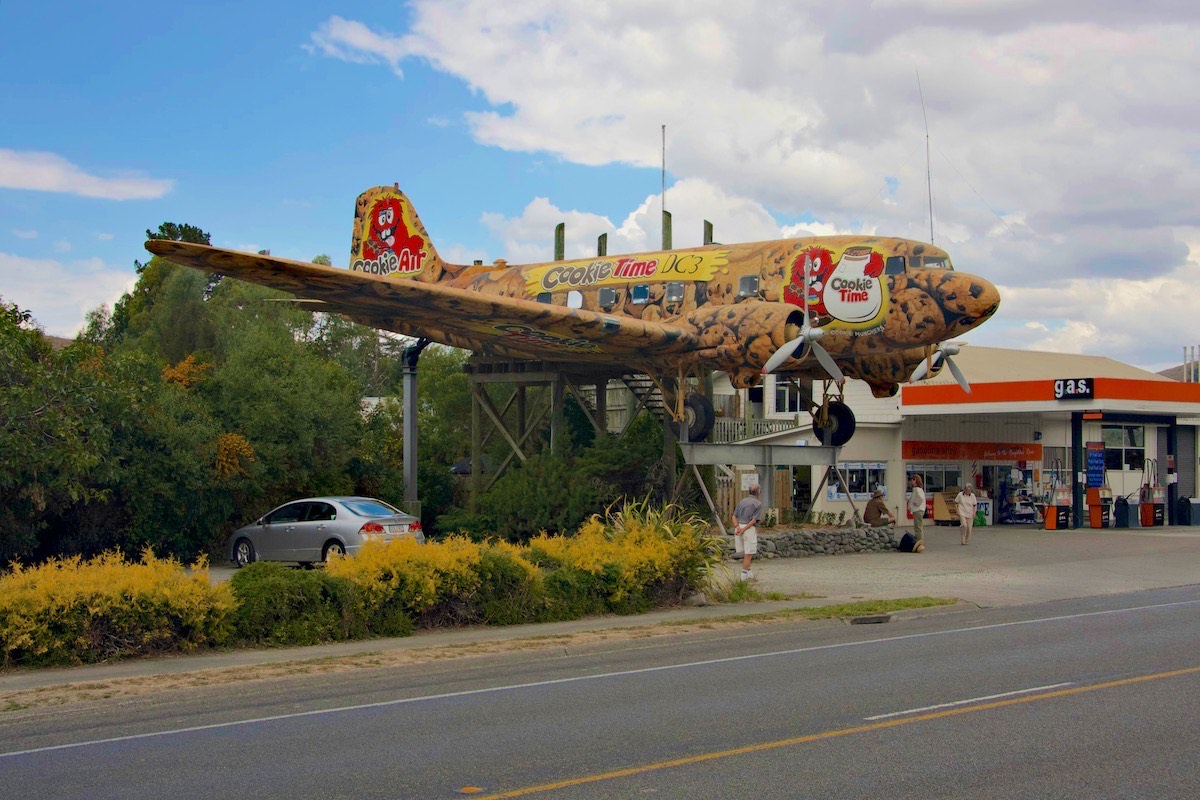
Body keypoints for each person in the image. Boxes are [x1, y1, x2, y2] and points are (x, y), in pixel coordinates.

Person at [732, 484, 762, 580]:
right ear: (758, 492)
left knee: (744, 551)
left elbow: (734, 516)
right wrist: (744, 529)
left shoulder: (742, 501)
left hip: (739, 526)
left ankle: (749, 573)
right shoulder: (758, 504)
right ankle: (743, 577)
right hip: (748, 529)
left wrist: (737, 527)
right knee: (748, 554)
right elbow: (754, 520)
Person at [907, 474, 927, 546]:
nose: (911, 482)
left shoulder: (917, 489)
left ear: (915, 480)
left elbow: (921, 498)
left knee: (918, 527)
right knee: (919, 527)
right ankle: (919, 542)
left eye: (912, 480)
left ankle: (919, 543)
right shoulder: (917, 489)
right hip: (918, 510)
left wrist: (917, 504)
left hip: (918, 510)